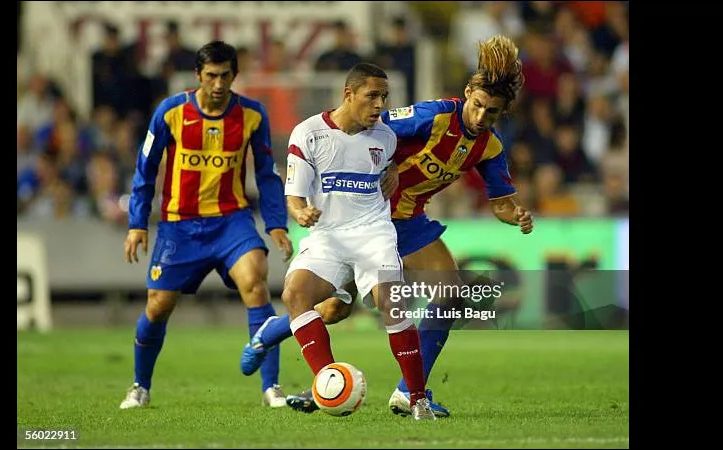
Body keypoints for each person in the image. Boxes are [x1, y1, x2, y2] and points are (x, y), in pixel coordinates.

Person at [240, 35, 533, 417]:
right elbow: (372, 125)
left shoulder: (489, 146)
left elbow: (501, 203)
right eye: (477, 105)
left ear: (502, 113)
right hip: (361, 215)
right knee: (334, 309)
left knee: (449, 295)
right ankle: (279, 338)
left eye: (491, 113)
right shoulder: (433, 116)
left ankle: (407, 391)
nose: (480, 118)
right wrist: (386, 163)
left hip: (407, 222)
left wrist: (516, 215)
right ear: (466, 94)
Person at [120, 41, 294, 409]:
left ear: (235, 75)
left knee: (256, 281)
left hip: (232, 221)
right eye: (211, 75)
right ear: (198, 75)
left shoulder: (252, 115)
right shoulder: (170, 112)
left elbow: (266, 173)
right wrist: (137, 223)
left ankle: (271, 388)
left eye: (225, 75)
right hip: (179, 225)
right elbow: (145, 169)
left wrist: (276, 223)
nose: (218, 84)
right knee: (158, 306)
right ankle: (140, 386)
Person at [277, 62, 436, 420]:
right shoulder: (308, 133)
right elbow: (294, 193)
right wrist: (300, 212)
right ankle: (329, 383)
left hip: (373, 235)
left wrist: (395, 170)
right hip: (327, 237)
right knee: (295, 295)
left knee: (393, 304)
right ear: (349, 94)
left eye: (384, 97)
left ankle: (418, 399)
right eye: (372, 96)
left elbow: (401, 157)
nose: (380, 105)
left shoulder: (386, 137)